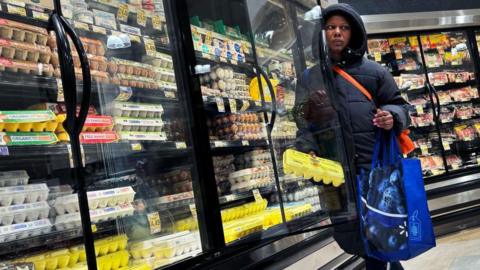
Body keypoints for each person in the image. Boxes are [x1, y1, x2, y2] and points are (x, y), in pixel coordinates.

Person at [293, 3, 410, 270]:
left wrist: (392, 116)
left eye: (343, 28)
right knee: (358, 237)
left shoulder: (375, 72)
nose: (337, 33)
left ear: (353, 33)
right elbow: (302, 121)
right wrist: (307, 148)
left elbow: (400, 105)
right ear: (321, 33)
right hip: (334, 174)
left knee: (381, 237)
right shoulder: (309, 78)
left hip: (374, 170)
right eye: (331, 27)